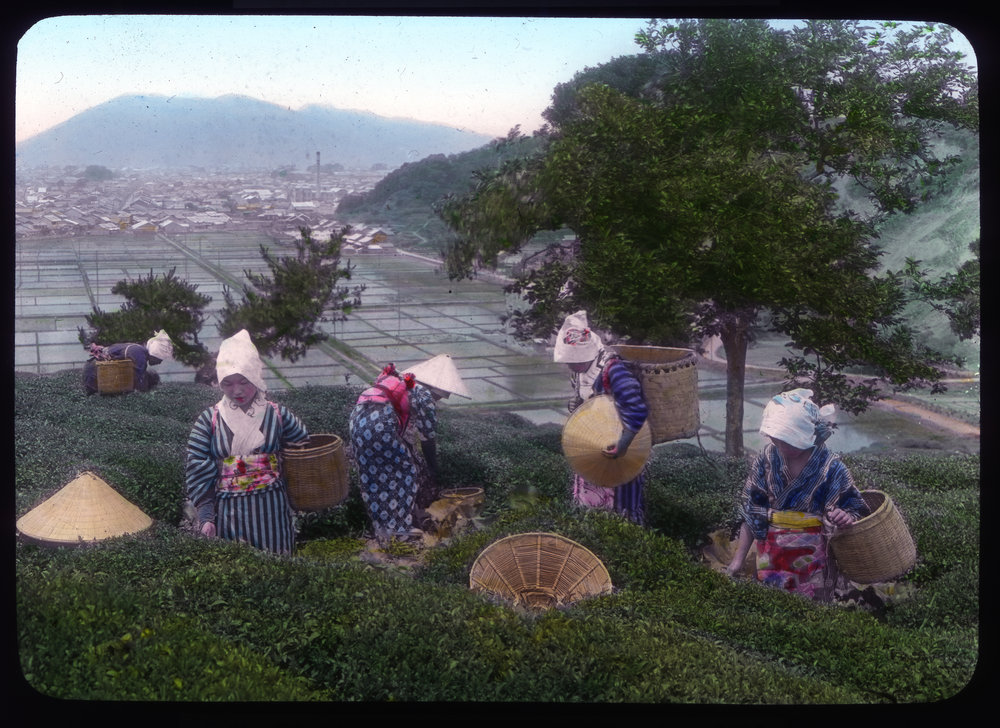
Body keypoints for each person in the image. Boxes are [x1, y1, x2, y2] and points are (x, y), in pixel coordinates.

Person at [725, 388, 870, 601]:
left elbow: (856, 509)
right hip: (771, 558)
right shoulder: (765, 459)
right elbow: (752, 512)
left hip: (815, 561)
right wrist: (737, 561)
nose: (781, 445)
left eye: (789, 440)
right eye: (776, 438)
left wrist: (845, 516)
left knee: (812, 611)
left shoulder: (832, 467)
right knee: (771, 606)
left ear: (807, 435)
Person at [185, 329, 309, 554]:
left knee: (278, 563)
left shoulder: (277, 415)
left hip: (272, 509)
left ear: (255, 377)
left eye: (244, 381)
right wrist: (206, 517)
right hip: (230, 512)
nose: (237, 391)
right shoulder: (209, 420)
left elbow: (302, 449)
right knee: (238, 565)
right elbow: (197, 468)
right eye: (228, 383)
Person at [554, 311, 649, 525]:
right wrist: (576, 406)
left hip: (618, 451)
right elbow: (587, 402)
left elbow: (636, 408)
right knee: (589, 508)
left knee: (620, 509)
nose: (570, 365)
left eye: (573, 361)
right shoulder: (579, 372)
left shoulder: (613, 370)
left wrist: (623, 444)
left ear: (586, 355)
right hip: (593, 450)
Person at [349, 363, 438, 544]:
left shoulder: (398, 383)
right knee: (405, 473)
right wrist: (434, 467)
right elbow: (428, 437)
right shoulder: (423, 394)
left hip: (357, 423)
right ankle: (400, 530)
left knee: (373, 476)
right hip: (380, 428)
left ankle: (382, 529)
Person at [402, 354, 472, 517]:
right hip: (385, 435)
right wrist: (434, 469)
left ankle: (396, 517)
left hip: (363, 427)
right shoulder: (425, 397)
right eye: (442, 396)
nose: (440, 399)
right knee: (410, 472)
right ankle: (407, 517)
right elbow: (427, 439)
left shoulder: (406, 384)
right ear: (437, 391)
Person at [83, 329, 173, 393]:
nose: (160, 362)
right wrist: (145, 395)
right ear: (155, 355)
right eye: (160, 359)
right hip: (95, 371)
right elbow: (139, 379)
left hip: (95, 368)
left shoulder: (139, 350)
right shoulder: (140, 354)